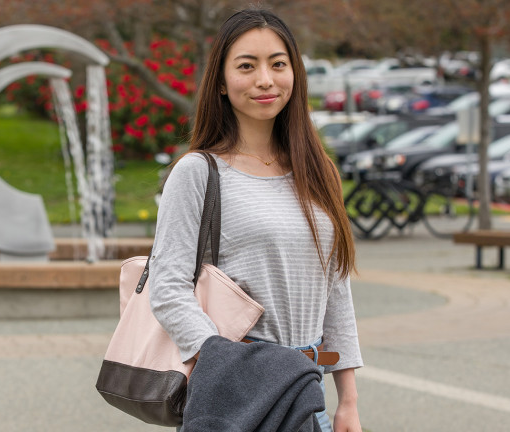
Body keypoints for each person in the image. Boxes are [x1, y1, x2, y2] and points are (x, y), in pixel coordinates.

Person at [149, 8, 363, 432]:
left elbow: (336, 290)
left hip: (308, 393)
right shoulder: (198, 171)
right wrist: (223, 364)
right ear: (223, 84)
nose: (265, 79)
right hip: (238, 394)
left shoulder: (318, 171)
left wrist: (349, 401)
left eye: (278, 64)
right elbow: (168, 286)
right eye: (247, 66)